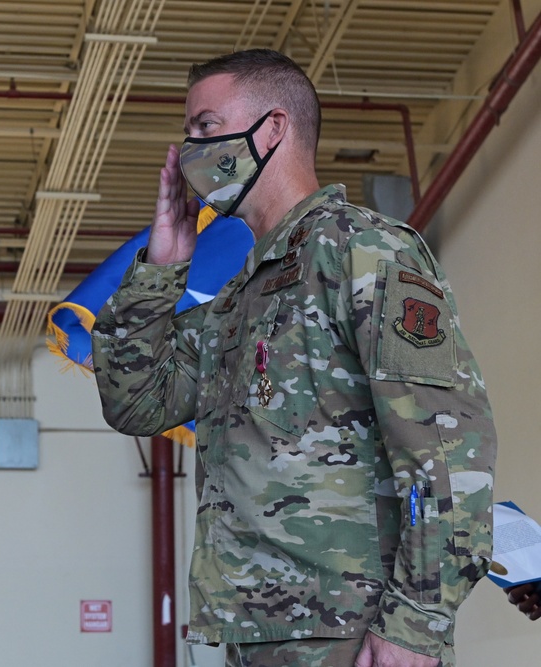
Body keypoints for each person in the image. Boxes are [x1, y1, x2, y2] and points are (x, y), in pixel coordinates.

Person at [91, 49, 496, 667]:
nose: (191, 149)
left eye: (205, 126)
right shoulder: (238, 298)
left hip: (350, 630)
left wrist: (415, 624)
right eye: (189, 131)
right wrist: (163, 268)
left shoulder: (362, 249)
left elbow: (446, 448)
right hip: (255, 632)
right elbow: (136, 402)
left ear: (273, 128)